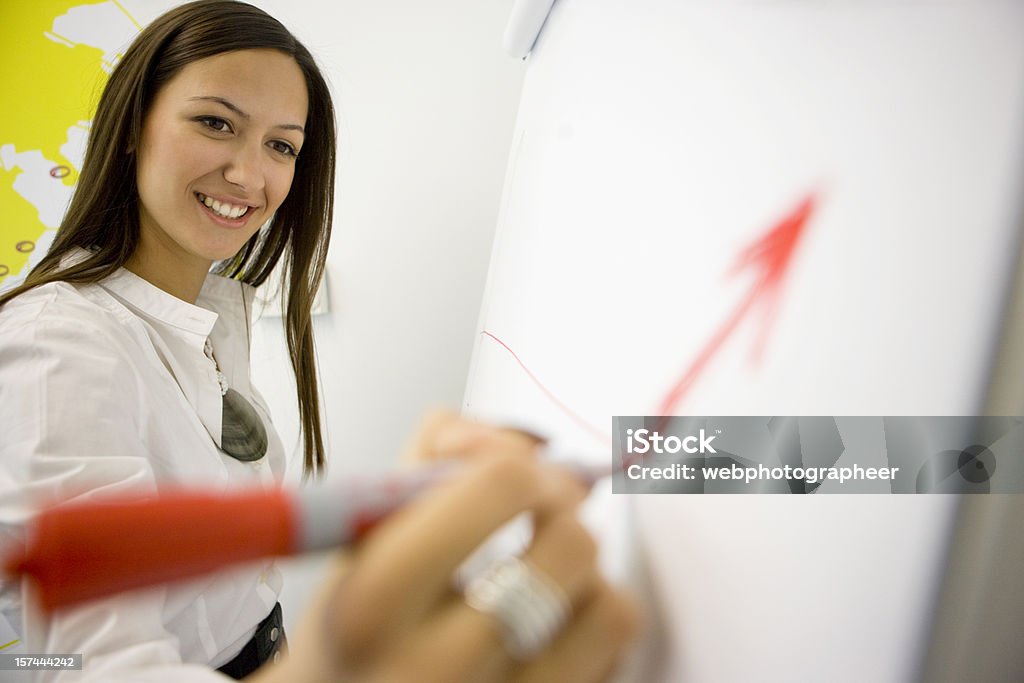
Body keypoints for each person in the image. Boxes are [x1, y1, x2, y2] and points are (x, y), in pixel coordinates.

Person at [0, 1, 638, 681]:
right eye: (216, 123)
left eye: (282, 145)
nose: (251, 176)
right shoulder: (60, 346)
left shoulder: (211, 313)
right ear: (132, 127)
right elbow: (88, 665)